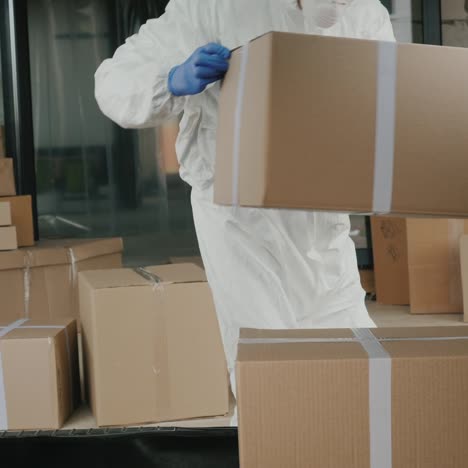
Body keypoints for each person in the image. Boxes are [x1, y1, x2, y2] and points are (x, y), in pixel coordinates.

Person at [95, 0, 395, 395]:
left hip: (321, 219)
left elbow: (387, 101)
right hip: (238, 220)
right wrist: (171, 79)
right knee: (266, 368)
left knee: (351, 362)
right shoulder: (214, 7)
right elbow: (114, 82)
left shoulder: (364, 12)